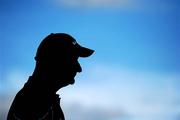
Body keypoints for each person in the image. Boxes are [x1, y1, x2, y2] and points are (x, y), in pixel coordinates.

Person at [7, 33, 94, 120]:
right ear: (54, 60)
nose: (79, 69)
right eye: (73, 59)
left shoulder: (42, 100)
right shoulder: (32, 104)